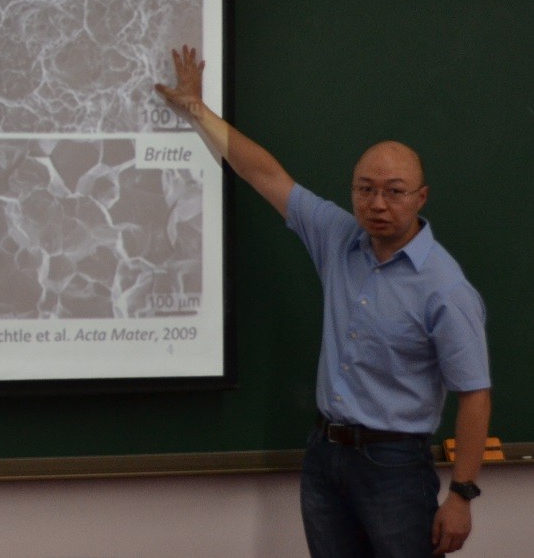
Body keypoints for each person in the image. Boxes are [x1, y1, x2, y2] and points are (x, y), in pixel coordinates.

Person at [156, 45, 490, 558]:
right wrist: (198, 111)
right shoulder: (338, 235)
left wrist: (462, 494)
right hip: (324, 455)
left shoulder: (445, 288)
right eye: (365, 189)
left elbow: (474, 394)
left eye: (394, 191)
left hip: (396, 465)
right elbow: (264, 174)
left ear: (421, 197)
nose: (377, 204)